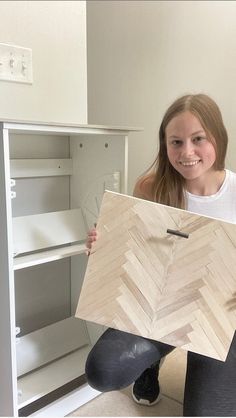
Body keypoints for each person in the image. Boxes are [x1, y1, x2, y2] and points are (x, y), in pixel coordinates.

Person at [85, 93, 236, 416]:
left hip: (219, 314)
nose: (187, 152)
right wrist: (104, 246)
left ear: (218, 138)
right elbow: (132, 254)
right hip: (160, 305)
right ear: (164, 145)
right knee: (104, 370)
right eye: (176, 142)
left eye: (198, 139)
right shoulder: (151, 187)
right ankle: (150, 365)